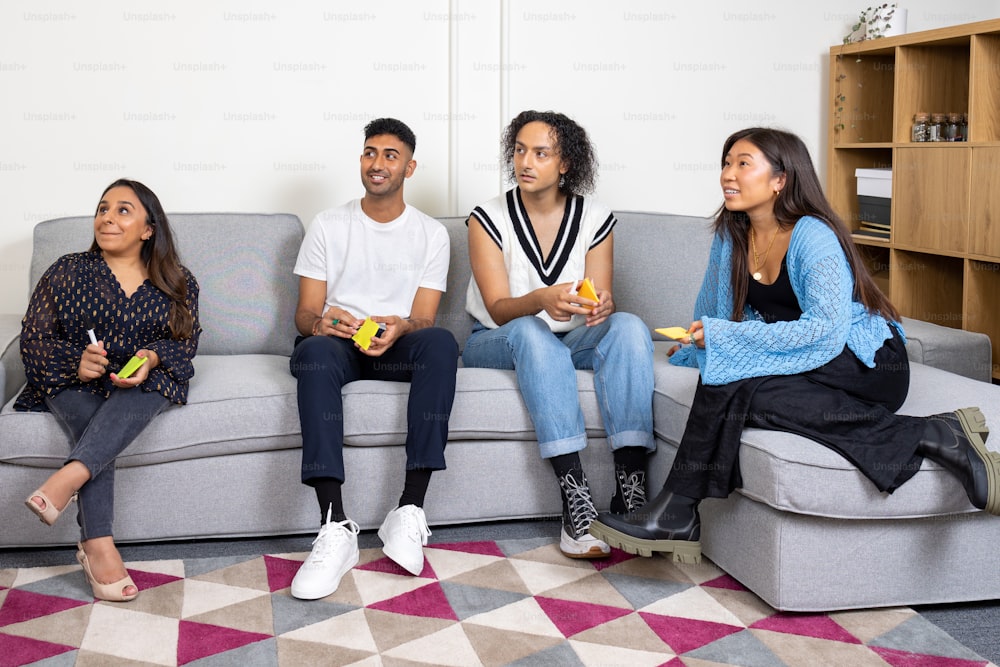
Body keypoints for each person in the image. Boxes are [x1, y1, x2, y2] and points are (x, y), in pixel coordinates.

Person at [588, 127, 998, 561]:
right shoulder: (732, 235)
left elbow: (825, 329)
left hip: (862, 361)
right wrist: (698, 345)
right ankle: (935, 433)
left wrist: (727, 342)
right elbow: (718, 314)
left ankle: (677, 512)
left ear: (780, 178)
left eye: (743, 163)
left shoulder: (812, 235)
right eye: (726, 163)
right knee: (730, 379)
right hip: (802, 361)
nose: (728, 174)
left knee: (729, 376)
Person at [462, 110, 655, 559]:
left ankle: (631, 491)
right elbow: (498, 308)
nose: (525, 162)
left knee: (628, 325)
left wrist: (602, 305)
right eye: (519, 150)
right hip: (497, 338)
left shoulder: (596, 217)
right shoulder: (485, 218)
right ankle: (576, 502)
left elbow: (598, 299)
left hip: (568, 340)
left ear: (565, 163)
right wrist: (541, 299)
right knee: (531, 330)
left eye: (541, 153)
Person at [288, 118, 458, 600]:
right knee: (315, 350)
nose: (377, 163)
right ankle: (334, 525)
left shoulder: (430, 233)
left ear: (410, 166)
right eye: (369, 152)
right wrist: (322, 323)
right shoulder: (328, 223)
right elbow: (303, 314)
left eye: (390, 155)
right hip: (339, 344)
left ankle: (409, 510)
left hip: (394, 343)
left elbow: (424, 319)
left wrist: (402, 326)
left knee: (442, 342)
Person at [19, 178, 201, 601]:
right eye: (103, 208)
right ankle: (98, 543)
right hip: (73, 381)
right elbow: (33, 339)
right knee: (89, 419)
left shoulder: (178, 280)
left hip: (140, 382)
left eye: (122, 210)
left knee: (156, 384)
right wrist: (77, 364)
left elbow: (184, 344)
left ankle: (68, 479)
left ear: (148, 229)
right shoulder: (67, 270)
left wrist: (151, 359)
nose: (107, 217)